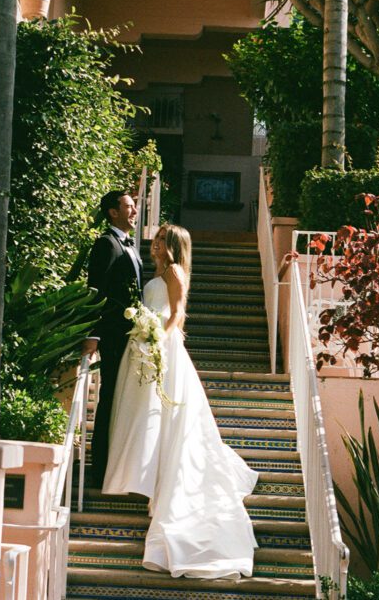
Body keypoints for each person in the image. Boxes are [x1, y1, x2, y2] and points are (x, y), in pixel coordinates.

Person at [104, 223, 259, 579]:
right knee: (142, 414)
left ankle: (159, 482)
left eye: (160, 239)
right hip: (142, 346)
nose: (154, 243)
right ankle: (140, 475)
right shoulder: (154, 271)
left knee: (163, 414)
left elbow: (177, 313)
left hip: (162, 348)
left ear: (172, 246)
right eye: (155, 239)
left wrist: (157, 339)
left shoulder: (174, 272)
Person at [82, 190, 143, 489]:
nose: (134, 211)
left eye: (134, 207)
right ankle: (100, 468)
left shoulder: (129, 245)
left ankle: (120, 466)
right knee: (109, 400)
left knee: (123, 401)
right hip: (113, 336)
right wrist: (92, 335)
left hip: (131, 336)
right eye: (129, 207)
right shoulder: (106, 244)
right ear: (112, 212)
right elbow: (96, 291)